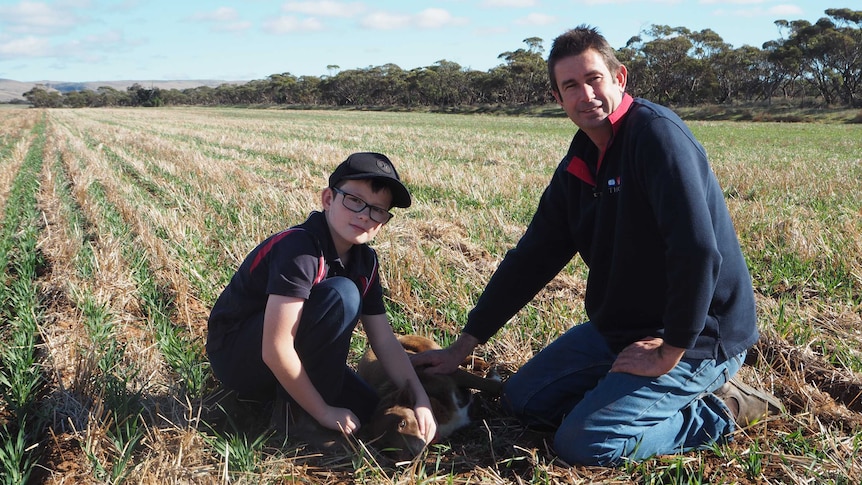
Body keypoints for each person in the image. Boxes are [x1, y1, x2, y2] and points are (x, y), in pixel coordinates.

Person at [410, 25, 782, 466]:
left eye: (594, 79)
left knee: (586, 444)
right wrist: (462, 346)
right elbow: (531, 259)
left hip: (699, 335)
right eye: (571, 86)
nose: (585, 94)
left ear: (619, 77)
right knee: (523, 402)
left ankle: (722, 409)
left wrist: (670, 351)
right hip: (620, 329)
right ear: (558, 98)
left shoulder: (656, 138)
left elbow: (697, 251)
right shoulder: (580, 162)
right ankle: (631, 398)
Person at [207, 152, 436, 445]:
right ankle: (295, 417)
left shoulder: (366, 261)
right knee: (343, 295)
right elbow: (275, 349)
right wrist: (324, 412)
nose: (365, 215)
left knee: (366, 409)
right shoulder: (300, 249)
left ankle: (285, 399)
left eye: (378, 210)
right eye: (354, 200)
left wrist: (420, 398)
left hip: (289, 353)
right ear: (328, 199)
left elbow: (385, 342)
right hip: (238, 355)